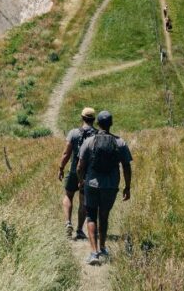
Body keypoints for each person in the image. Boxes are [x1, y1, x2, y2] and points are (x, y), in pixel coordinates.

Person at [77, 110, 132, 265]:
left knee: (91, 216)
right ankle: (102, 247)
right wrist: (127, 187)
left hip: (92, 185)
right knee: (104, 215)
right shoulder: (120, 142)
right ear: (111, 124)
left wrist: (81, 181)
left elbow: (80, 166)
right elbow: (127, 167)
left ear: (98, 123)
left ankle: (94, 253)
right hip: (110, 186)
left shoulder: (89, 141)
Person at [58, 107, 97, 240]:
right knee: (83, 201)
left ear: (82, 118)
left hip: (74, 170)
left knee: (68, 195)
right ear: (94, 120)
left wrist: (61, 168)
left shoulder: (74, 133)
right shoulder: (97, 135)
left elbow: (66, 153)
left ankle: (68, 222)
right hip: (88, 174)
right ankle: (80, 229)